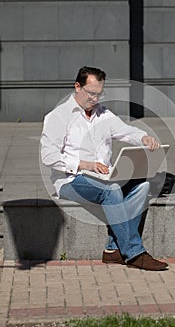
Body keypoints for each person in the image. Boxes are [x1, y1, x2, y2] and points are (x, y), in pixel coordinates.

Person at [40, 66, 168, 271]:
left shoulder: (103, 114)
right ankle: (134, 253)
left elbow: (125, 131)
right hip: (70, 180)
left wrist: (143, 137)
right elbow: (48, 157)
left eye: (99, 94)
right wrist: (84, 164)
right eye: (91, 93)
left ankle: (112, 250)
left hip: (104, 177)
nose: (95, 99)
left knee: (142, 187)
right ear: (77, 87)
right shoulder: (58, 116)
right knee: (112, 190)